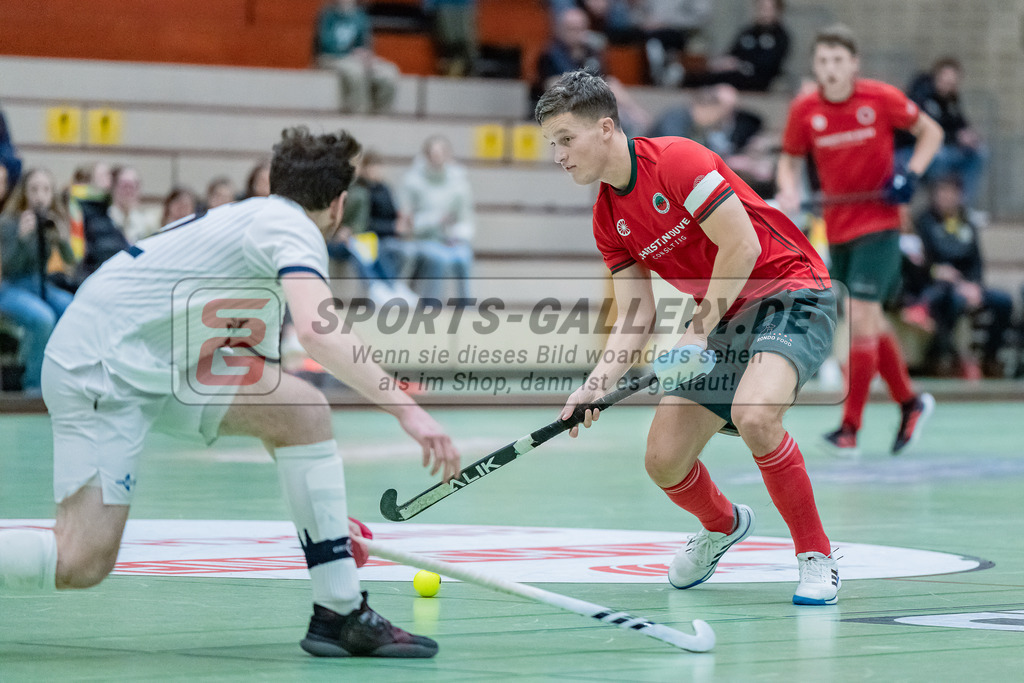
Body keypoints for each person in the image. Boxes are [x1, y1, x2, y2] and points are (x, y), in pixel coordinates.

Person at [0, 127, 460, 659]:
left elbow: (261, 385)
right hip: (101, 367)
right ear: (338, 205)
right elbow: (318, 331)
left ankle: (340, 610)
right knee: (79, 561)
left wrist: (326, 530)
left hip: (159, 364)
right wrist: (408, 411)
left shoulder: (256, 231)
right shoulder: (290, 231)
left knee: (302, 412)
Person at [537, 70, 841, 605]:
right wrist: (596, 383)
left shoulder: (679, 160)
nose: (559, 155)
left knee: (754, 414)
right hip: (724, 317)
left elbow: (742, 248)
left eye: (566, 139)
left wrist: (698, 330)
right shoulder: (607, 218)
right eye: (552, 144)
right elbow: (636, 315)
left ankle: (815, 554)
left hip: (791, 290)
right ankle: (724, 526)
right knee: (664, 460)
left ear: (606, 128)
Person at [775, 24, 944, 458]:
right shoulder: (804, 109)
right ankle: (910, 403)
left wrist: (911, 175)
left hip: (881, 226)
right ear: (815, 65)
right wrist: (789, 190)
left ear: (853, 64)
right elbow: (790, 161)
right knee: (872, 322)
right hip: (837, 227)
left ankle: (850, 427)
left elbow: (932, 132)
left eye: (838, 61)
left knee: (860, 315)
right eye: (823, 61)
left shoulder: (880, 98)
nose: (830, 69)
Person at [909, 176, 1012, 378]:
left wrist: (974, 286)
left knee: (1003, 302)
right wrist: (937, 272)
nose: (946, 197)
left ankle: (990, 358)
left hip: (968, 286)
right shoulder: (924, 222)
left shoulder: (967, 222)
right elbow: (920, 262)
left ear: (959, 195)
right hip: (939, 287)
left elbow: (976, 262)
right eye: (942, 191)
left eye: (951, 192)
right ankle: (947, 357)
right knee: (953, 301)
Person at [0, 168, 76, 391]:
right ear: (24, 193)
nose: (39, 196)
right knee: (42, 318)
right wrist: (22, 239)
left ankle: (64, 378)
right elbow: (8, 267)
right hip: (11, 287)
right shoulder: (8, 222)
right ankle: (34, 384)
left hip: (39, 284)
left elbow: (71, 261)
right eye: (34, 189)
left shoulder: (51, 222)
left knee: (72, 309)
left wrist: (63, 239)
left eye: (45, 189)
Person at [533, 7, 651, 135]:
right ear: (560, 29)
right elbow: (553, 86)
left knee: (625, 115)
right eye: (571, 28)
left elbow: (606, 82)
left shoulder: (592, 53)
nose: (576, 33)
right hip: (560, 109)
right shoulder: (549, 54)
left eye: (580, 29)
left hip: (591, 107)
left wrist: (633, 111)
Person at [897, 57, 987, 208]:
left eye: (952, 83)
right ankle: (937, 209)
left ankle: (961, 208)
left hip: (942, 147)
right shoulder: (920, 95)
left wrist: (969, 136)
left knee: (979, 153)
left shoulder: (951, 100)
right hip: (910, 150)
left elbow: (960, 124)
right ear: (936, 75)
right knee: (940, 156)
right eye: (945, 80)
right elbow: (919, 132)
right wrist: (955, 137)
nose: (947, 85)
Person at [399, 135, 475, 301]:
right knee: (439, 258)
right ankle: (432, 307)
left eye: (442, 154)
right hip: (423, 239)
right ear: (426, 156)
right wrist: (434, 220)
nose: (438, 159)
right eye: (434, 154)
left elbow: (465, 219)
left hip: (451, 240)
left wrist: (457, 234)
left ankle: (466, 307)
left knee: (464, 256)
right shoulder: (413, 181)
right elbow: (406, 222)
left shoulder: (459, 184)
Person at [682, 0, 790, 92]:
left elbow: (770, 64)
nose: (763, 13)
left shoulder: (780, 36)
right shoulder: (748, 32)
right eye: (760, 8)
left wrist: (741, 65)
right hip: (735, 73)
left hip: (757, 78)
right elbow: (732, 52)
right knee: (695, 77)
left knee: (727, 80)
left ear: (777, 11)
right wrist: (724, 63)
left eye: (768, 9)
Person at [314, 0, 399, 114]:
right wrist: (350, 53)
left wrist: (365, 55)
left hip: (356, 58)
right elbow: (326, 45)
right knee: (356, 71)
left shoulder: (360, 16)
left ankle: (381, 115)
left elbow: (365, 44)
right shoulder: (328, 15)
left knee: (389, 72)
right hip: (332, 57)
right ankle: (360, 113)